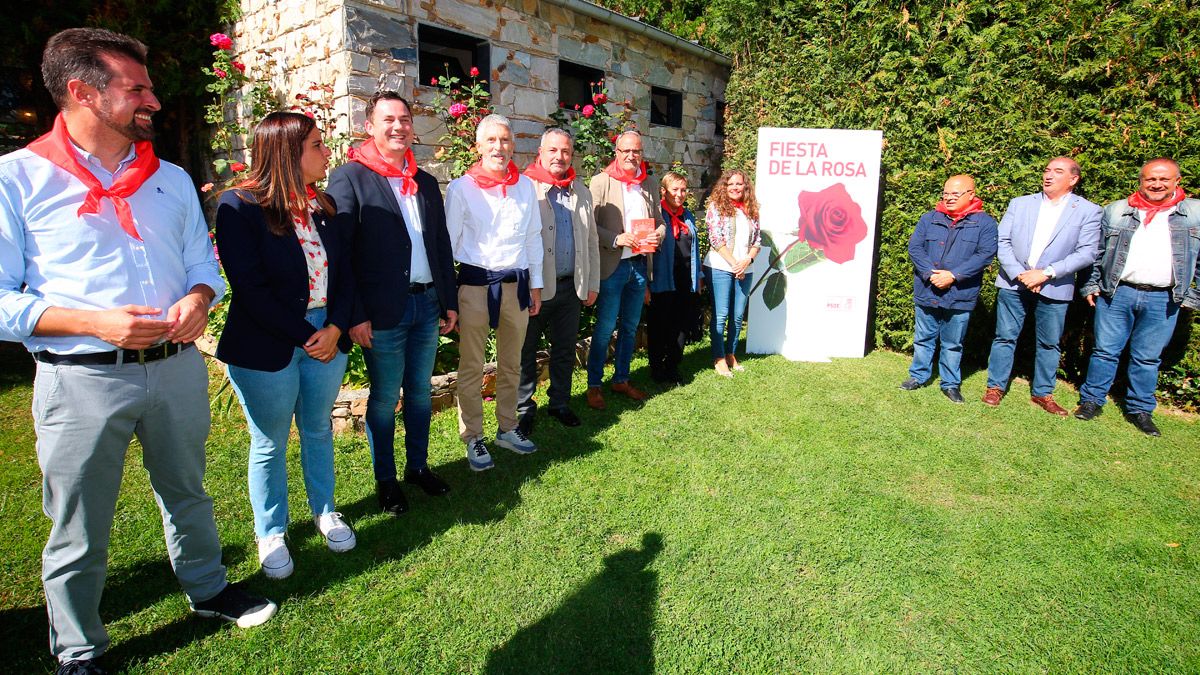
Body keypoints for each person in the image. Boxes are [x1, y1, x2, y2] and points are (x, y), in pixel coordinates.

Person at [0, 28, 275, 674]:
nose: (152, 99)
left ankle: (208, 589)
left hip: (175, 370)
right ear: (82, 92)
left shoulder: (170, 179)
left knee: (188, 491)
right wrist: (93, 321)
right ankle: (79, 647)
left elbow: (202, 263)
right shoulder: (17, 180)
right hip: (80, 380)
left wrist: (200, 299)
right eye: (136, 88)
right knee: (78, 521)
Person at [215, 112, 355, 580]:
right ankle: (271, 531)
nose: (326, 152)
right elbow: (250, 289)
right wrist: (306, 335)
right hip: (267, 342)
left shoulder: (324, 206)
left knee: (317, 428)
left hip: (324, 335)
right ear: (287, 152)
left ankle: (326, 510)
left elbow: (345, 276)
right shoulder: (240, 207)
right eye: (317, 145)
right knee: (270, 441)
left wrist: (335, 327)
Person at [326, 92, 456, 514]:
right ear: (370, 126)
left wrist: (448, 299)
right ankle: (386, 479)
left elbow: (439, 242)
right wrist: (355, 314)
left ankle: (417, 467)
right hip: (382, 313)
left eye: (405, 119)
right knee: (384, 398)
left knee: (419, 394)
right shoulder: (350, 177)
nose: (398, 126)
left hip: (426, 304)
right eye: (388, 119)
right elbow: (340, 254)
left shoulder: (426, 181)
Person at [1075, 158, 1200, 436]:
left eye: (1164, 179)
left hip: (1163, 298)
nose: (1156, 184)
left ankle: (1140, 409)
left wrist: (1194, 297)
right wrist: (1091, 284)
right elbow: (1096, 252)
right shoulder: (1118, 210)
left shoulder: (1194, 214)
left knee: (1147, 358)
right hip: (1117, 293)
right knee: (1105, 352)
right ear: (1141, 181)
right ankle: (1091, 401)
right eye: (1150, 179)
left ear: (1176, 181)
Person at [445, 114, 542, 470]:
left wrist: (536, 285)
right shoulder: (461, 188)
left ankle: (508, 427)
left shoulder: (525, 187)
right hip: (475, 285)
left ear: (512, 146)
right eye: (491, 141)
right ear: (479, 146)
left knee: (511, 361)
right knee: (471, 363)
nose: (499, 148)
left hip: (516, 285)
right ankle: (473, 436)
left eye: (504, 141)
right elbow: (449, 245)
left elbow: (533, 237)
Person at [982, 157, 1102, 415]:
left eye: (1057, 172)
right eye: (1047, 170)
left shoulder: (1089, 211)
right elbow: (1002, 241)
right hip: (1014, 283)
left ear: (1073, 179)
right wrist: (1021, 274)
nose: (1048, 175)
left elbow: (1087, 253)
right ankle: (995, 386)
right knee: (1005, 337)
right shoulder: (1020, 203)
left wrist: (1045, 274)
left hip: (1055, 286)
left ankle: (1043, 393)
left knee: (1049, 343)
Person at [516, 128, 600, 433]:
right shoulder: (526, 187)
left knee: (564, 350)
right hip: (535, 289)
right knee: (525, 352)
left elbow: (591, 241)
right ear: (541, 152)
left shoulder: (582, 191)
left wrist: (592, 283)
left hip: (570, 287)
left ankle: (560, 402)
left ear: (571, 155)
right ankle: (523, 409)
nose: (559, 157)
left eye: (565, 151)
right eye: (553, 150)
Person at [900, 174, 999, 403]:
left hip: (960, 294)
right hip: (928, 289)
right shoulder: (929, 218)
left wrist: (953, 276)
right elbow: (915, 248)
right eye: (946, 193)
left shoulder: (984, 223)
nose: (949, 198)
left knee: (953, 343)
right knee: (923, 338)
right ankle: (918, 376)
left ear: (971, 194)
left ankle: (950, 383)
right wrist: (930, 274)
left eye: (955, 194)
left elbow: (984, 255)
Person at [586, 130, 665, 409]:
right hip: (612, 265)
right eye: (626, 151)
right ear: (617, 153)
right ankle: (594, 385)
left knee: (630, 328)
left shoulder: (649, 182)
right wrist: (615, 238)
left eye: (637, 151)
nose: (632, 156)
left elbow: (660, 221)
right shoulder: (601, 181)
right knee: (605, 329)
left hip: (639, 265)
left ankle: (621, 379)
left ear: (642, 154)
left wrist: (659, 235)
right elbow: (587, 224)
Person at [702, 170, 761, 377]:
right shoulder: (716, 207)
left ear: (746, 187)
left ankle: (730, 354)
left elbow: (757, 242)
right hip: (720, 266)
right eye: (731, 184)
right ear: (724, 187)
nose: (735, 187)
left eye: (740, 184)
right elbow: (716, 240)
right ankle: (718, 358)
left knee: (737, 317)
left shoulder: (751, 210)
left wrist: (747, 260)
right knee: (720, 315)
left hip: (746, 268)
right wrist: (736, 264)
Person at [647, 170, 702, 384]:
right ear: (663, 191)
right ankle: (657, 368)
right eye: (674, 190)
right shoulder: (657, 215)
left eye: (683, 190)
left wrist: (697, 278)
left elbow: (695, 249)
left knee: (680, 325)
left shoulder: (687, 215)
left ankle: (672, 365)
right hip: (662, 278)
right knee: (659, 325)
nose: (679, 194)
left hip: (684, 279)